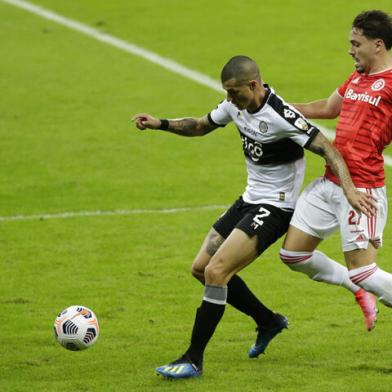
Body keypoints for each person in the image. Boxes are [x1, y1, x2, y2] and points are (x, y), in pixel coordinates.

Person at [132, 55, 375, 379]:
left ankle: (193, 359)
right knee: (201, 270)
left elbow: (328, 149)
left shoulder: (281, 116)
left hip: (274, 208)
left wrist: (349, 190)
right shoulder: (235, 105)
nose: (231, 100)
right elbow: (201, 125)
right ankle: (269, 321)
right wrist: (161, 123)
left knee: (217, 271)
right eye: (227, 94)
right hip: (249, 200)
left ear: (254, 84)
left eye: (235, 93)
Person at [280, 10, 392, 332]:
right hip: (331, 182)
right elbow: (328, 108)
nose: (350, 50)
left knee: (364, 271)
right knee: (293, 254)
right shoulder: (358, 76)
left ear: (378, 45)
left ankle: (363, 286)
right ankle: (359, 290)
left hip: (363, 190)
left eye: (356, 44)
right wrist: (278, 106)